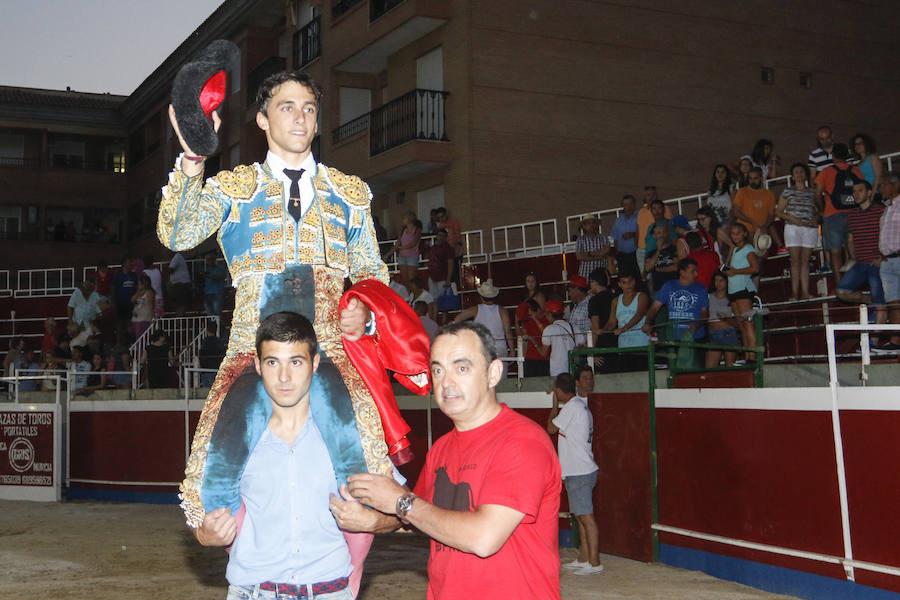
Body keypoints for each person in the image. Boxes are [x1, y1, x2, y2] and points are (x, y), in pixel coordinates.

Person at [159, 70, 424, 534]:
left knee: (365, 473)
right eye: (287, 107)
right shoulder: (235, 187)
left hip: (330, 352)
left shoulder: (348, 194)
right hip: (251, 352)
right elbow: (177, 234)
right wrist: (193, 158)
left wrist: (364, 312)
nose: (300, 118)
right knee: (213, 483)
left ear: (318, 122)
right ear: (262, 119)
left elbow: (371, 275)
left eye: (308, 109)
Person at [330, 321, 562, 599]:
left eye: (461, 368)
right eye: (438, 370)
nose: (446, 382)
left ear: (493, 373)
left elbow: (484, 538)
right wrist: (372, 520)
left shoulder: (522, 441)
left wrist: (399, 501)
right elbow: (419, 517)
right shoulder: (441, 448)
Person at [194, 312, 355, 600]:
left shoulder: (348, 433)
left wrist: (375, 521)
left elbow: (394, 509)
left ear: (315, 363)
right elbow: (196, 507)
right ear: (257, 365)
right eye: (272, 362)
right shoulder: (232, 438)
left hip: (329, 590)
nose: (284, 377)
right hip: (253, 591)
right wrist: (203, 534)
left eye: (296, 362)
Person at [547, 368, 603, 576]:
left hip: (579, 471)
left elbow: (551, 428)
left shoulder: (571, 408)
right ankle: (584, 558)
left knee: (586, 517)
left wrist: (554, 405)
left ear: (560, 391)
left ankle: (595, 563)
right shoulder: (579, 406)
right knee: (580, 516)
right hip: (579, 469)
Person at [643, 258, 710, 368]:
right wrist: (647, 322)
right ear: (682, 272)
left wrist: (697, 324)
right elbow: (654, 308)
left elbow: (705, 313)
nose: (696, 274)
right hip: (674, 339)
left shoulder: (701, 288)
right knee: (676, 372)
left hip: (695, 338)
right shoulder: (669, 286)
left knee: (696, 371)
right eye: (693, 271)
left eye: (696, 271)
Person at [815, 143, 866, 286]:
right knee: (855, 250)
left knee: (835, 251)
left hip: (832, 214)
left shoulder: (826, 171)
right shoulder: (855, 170)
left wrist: (822, 210)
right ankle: (857, 282)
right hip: (854, 213)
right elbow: (863, 189)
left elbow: (817, 194)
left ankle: (839, 283)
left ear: (833, 155)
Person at [836, 181, 886, 324]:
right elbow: (850, 239)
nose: (856, 194)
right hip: (860, 263)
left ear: (869, 193)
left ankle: (876, 334)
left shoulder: (880, 211)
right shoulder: (852, 215)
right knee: (841, 291)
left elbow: (888, 235)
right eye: (854, 191)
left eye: (860, 190)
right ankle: (870, 301)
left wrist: (883, 258)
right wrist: (852, 257)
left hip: (876, 263)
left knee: (880, 303)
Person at [453, 279, 513, 379]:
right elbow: (508, 332)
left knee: (483, 381)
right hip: (500, 348)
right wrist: (512, 350)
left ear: (481, 297)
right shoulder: (502, 311)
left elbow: (457, 319)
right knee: (501, 382)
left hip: (482, 348)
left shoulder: (475, 309)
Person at [776, 163, 820, 300]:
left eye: (802, 171)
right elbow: (778, 211)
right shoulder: (788, 191)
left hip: (809, 228)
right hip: (793, 228)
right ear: (793, 176)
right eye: (796, 172)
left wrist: (816, 218)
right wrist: (793, 219)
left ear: (805, 175)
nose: (799, 174)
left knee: (806, 261)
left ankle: (805, 292)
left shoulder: (813, 192)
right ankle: (794, 293)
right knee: (795, 261)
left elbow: (820, 210)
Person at [724, 223, 759, 361]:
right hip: (733, 289)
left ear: (744, 233)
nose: (735, 236)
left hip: (743, 288)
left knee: (747, 322)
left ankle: (753, 355)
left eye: (738, 233)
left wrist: (736, 272)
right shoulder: (735, 249)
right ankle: (747, 355)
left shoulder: (748, 249)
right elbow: (727, 267)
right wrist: (730, 250)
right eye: (732, 233)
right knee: (741, 324)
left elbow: (755, 268)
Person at [601, 271, 649, 372]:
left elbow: (639, 315)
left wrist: (623, 329)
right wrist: (603, 330)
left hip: (641, 347)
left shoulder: (642, 296)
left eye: (630, 281)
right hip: (623, 348)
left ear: (634, 281)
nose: (628, 285)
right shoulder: (616, 301)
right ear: (619, 284)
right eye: (624, 282)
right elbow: (611, 322)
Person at [732, 167, 780, 252]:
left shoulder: (769, 194)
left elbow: (771, 215)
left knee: (761, 255)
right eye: (750, 178)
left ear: (761, 178)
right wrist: (751, 221)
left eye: (755, 178)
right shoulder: (742, 192)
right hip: (745, 233)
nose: (752, 181)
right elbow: (736, 211)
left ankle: (780, 246)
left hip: (761, 233)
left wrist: (764, 227)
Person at [878, 172, 900, 349]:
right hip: (887, 261)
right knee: (893, 302)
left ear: (896, 185)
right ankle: (896, 341)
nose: (880, 188)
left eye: (883, 184)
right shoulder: (886, 208)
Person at [705, 271, 739, 368]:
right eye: (716, 280)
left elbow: (738, 322)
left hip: (728, 332)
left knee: (729, 367)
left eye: (721, 280)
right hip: (712, 333)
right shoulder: (708, 297)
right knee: (710, 369)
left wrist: (727, 319)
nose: (718, 283)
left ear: (727, 282)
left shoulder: (732, 299)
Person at [636, 186, 671, 275]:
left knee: (658, 274)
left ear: (657, 196)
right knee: (645, 277)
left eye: (653, 195)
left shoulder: (664, 209)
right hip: (642, 250)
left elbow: (669, 227)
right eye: (648, 195)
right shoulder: (641, 212)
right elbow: (638, 230)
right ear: (644, 197)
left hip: (657, 248)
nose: (651, 197)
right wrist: (637, 247)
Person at [542, 299, 580, 377]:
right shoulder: (574, 327)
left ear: (550, 314)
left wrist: (532, 340)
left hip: (557, 370)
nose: (545, 316)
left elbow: (543, 353)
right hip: (573, 369)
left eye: (546, 313)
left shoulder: (549, 329)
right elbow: (583, 345)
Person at [518, 298, 550, 377]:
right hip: (530, 358)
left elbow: (545, 332)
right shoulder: (526, 322)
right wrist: (523, 358)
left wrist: (535, 319)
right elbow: (525, 340)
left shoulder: (547, 319)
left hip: (544, 358)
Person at [644, 223, 678, 297]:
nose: (662, 235)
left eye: (664, 232)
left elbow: (676, 267)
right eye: (659, 233)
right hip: (659, 289)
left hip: (675, 287)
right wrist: (658, 251)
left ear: (667, 234)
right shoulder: (651, 253)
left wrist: (659, 269)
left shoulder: (674, 249)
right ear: (654, 236)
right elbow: (647, 268)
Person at [610, 194, 639, 275]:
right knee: (625, 278)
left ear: (634, 204)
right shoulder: (618, 220)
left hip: (637, 254)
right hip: (622, 256)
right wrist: (617, 254)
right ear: (622, 206)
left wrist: (633, 234)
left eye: (630, 204)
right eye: (626, 204)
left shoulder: (640, 216)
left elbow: (645, 232)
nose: (628, 207)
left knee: (638, 278)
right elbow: (615, 239)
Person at [112, 258, 137, 342]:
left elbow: (137, 288)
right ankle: (119, 343)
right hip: (120, 303)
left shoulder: (134, 275)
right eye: (130, 262)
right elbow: (113, 289)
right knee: (119, 324)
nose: (131, 264)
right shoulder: (117, 276)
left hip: (131, 304)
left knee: (130, 323)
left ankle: (132, 343)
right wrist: (113, 302)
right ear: (124, 263)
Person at [392, 211, 422, 284]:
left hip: (412, 256)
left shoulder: (417, 230)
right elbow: (398, 242)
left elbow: (413, 243)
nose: (402, 220)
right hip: (402, 256)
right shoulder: (402, 230)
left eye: (404, 218)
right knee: (405, 280)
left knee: (412, 279)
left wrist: (401, 247)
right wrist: (389, 253)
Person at [426, 228, 454, 300]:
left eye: (443, 236)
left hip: (442, 277)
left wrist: (448, 279)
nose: (441, 237)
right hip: (432, 277)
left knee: (441, 298)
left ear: (446, 237)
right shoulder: (433, 248)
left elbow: (450, 264)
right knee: (433, 299)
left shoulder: (448, 249)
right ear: (437, 236)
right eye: (439, 235)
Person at [198, 319, 227, 387]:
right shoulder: (219, 341)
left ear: (207, 330)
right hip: (216, 369)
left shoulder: (205, 342)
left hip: (207, 370)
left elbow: (202, 355)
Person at [202, 252, 227, 322]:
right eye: (207, 259)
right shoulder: (206, 270)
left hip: (217, 293)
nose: (209, 261)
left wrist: (208, 275)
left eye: (211, 259)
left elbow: (220, 276)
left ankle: (219, 327)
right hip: (207, 293)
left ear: (214, 260)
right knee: (210, 314)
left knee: (217, 313)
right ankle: (214, 326)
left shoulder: (220, 269)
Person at [130, 274, 155, 341]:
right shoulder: (138, 293)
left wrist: (152, 317)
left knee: (141, 337)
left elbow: (151, 305)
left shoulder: (149, 292)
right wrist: (138, 291)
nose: (138, 285)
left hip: (144, 318)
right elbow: (132, 300)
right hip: (136, 317)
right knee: (137, 337)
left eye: (140, 284)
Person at [567, 274, 592, 339]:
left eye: (570, 291)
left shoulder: (589, 305)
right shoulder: (577, 305)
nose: (569, 294)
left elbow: (590, 330)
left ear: (577, 290)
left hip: (584, 344)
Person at [168, 251, 193, 316]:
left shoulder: (176, 257)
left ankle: (180, 317)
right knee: (179, 303)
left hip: (181, 284)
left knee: (180, 303)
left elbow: (171, 269)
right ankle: (180, 316)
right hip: (180, 284)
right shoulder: (177, 257)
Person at [143, 254, 166, 318]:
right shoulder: (158, 271)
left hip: (150, 298)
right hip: (159, 297)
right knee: (159, 317)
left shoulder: (144, 273)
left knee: (150, 318)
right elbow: (163, 284)